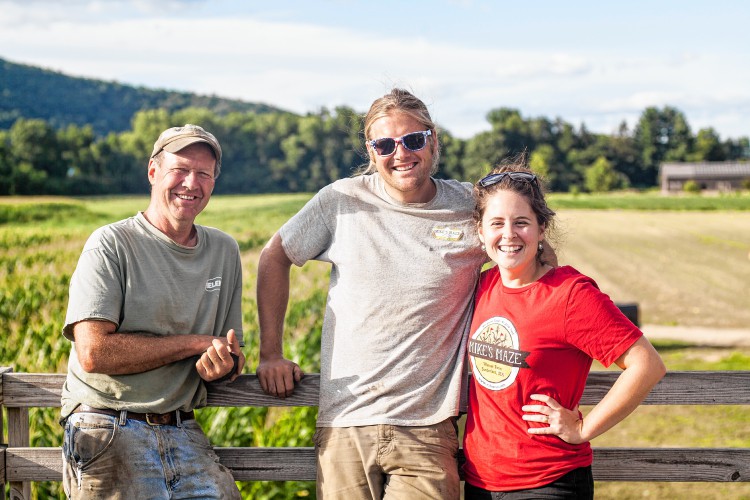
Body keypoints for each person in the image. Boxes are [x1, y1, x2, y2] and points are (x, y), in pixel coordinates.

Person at [256, 88, 488, 499]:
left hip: (427, 427)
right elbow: (275, 255)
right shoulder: (341, 200)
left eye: (413, 139)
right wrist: (270, 352)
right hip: (345, 421)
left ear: (433, 139)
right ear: (371, 149)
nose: (401, 153)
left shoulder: (471, 206)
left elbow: (529, 254)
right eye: (385, 144)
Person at [462, 158, 667, 499]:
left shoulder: (570, 294)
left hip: (548, 482)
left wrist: (584, 428)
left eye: (522, 222)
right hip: (481, 482)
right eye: (496, 223)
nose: (509, 234)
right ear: (481, 231)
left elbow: (647, 364)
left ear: (541, 229)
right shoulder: (481, 286)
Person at [60, 124, 245, 499]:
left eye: (204, 174)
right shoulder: (111, 244)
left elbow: (229, 348)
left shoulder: (224, 251)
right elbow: (94, 353)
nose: (191, 183)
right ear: (153, 172)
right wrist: (194, 343)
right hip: (107, 422)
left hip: (183, 428)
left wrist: (224, 364)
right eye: (180, 169)